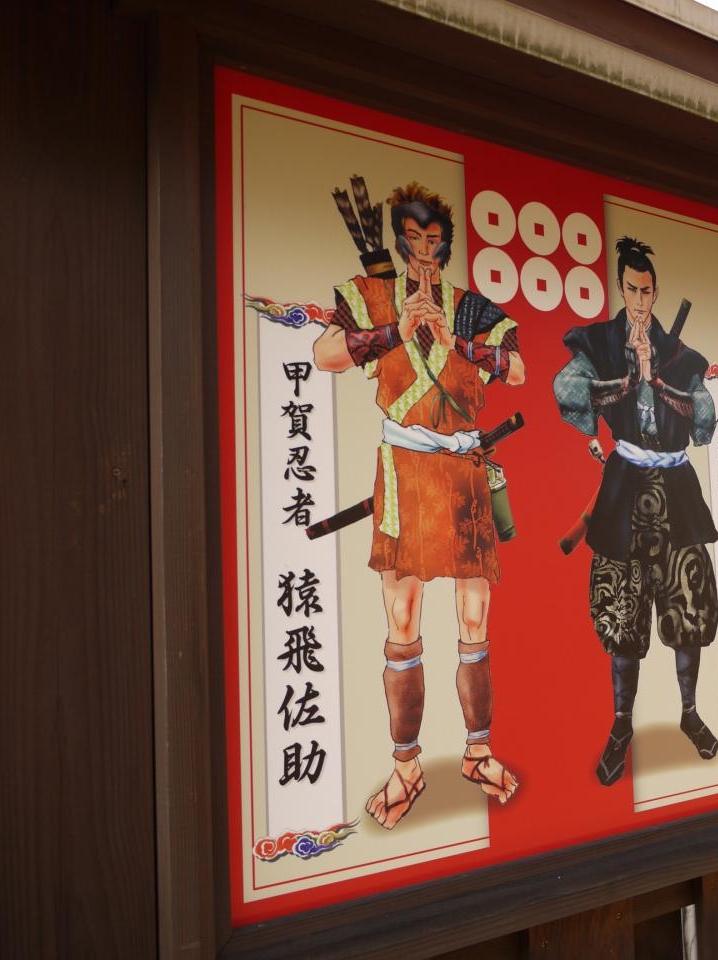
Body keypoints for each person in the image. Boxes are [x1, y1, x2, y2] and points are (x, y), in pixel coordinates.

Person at [311, 182, 524, 828]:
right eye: (413, 237)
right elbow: (324, 354)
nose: (424, 249)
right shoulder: (372, 295)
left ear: (446, 244)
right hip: (404, 469)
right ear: (399, 240)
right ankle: (406, 767)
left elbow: (515, 369)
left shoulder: (470, 307)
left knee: (474, 614)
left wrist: (457, 342)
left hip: (463, 470)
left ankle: (478, 751)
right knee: (402, 616)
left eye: (434, 239)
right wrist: (392, 332)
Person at [553, 236, 718, 786]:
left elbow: (705, 417)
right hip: (625, 485)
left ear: (656, 291)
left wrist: (661, 382)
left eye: (648, 291)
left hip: (675, 487)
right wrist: (625, 382)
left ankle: (689, 711)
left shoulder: (678, 353)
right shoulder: (602, 342)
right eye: (632, 289)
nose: (641, 300)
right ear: (621, 288)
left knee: (688, 605)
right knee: (622, 613)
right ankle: (622, 724)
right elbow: (566, 389)